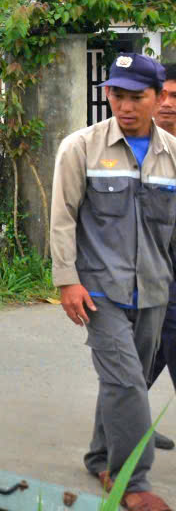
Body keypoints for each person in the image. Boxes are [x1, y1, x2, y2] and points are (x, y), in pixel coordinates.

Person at [50, 53, 175, 510]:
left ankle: (101, 454)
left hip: (154, 291)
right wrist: (66, 280)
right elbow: (62, 218)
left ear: (157, 98)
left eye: (135, 97)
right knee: (126, 383)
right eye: (117, 96)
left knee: (129, 380)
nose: (124, 106)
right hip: (99, 291)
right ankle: (131, 480)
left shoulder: (172, 155)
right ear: (107, 95)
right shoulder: (81, 147)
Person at [147, 63, 176, 452]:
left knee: (151, 351)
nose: (169, 105)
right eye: (163, 96)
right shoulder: (133, 146)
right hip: (148, 266)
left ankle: (121, 420)